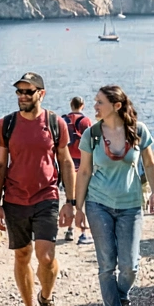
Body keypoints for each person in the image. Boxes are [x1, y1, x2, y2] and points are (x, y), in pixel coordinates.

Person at [73, 86, 154, 306]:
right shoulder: (92, 134)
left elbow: (149, 163)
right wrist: (78, 207)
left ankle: (122, 295)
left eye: (100, 102)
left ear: (116, 105)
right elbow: (85, 172)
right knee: (106, 265)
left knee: (129, 266)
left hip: (131, 205)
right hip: (98, 204)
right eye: (95, 102)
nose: (95, 106)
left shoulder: (138, 131)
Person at [0, 72, 76, 306]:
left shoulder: (55, 123)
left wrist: (71, 202)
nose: (23, 96)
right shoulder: (5, 125)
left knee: (47, 257)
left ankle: (46, 299)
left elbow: (65, 161)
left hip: (46, 197)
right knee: (21, 255)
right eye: (19, 91)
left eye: (28, 91)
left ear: (41, 93)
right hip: (15, 199)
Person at [61, 96, 93, 244]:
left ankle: (70, 229)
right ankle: (83, 230)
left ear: (70, 104)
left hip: (66, 161)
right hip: (83, 161)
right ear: (83, 105)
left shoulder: (63, 120)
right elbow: (92, 142)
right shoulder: (86, 122)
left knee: (69, 196)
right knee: (83, 196)